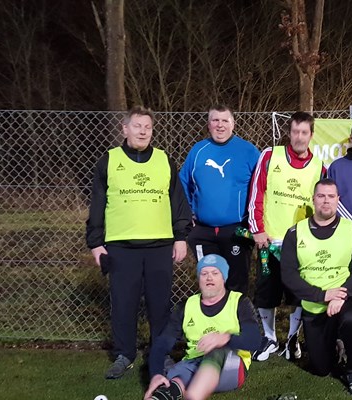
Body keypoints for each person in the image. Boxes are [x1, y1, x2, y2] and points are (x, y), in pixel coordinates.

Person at [86, 106, 191, 379]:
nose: (143, 131)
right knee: (124, 303)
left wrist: (181, 237)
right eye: (137, 126)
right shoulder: (109, 160)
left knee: (160, 305)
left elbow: (177, 201)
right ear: (125, 129)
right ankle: (125, 354)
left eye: (147, 127)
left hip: (159, 246)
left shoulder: (164, 160)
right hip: (121, 247)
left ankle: (160, 353)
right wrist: (95, 242)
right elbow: (97, 204)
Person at [247, 111, 326, 362]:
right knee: (266, 292)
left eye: (304, 132)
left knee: (298, 294)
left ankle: (292, 339)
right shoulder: (270, 156)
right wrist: (257, 229)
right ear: (289, 133)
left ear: (311, 135)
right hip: (269, 241)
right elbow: (257, 193)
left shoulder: (319, 166)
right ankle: (270, 338)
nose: (299, 137)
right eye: (295, 132)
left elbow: (322, 206)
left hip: (300, 244)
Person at [280, 179, 352, 396]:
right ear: (313, 199)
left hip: (345, 297)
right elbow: (289, 275)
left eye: (331, 196)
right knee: (321, 369)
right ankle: (337, 344)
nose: (326, 201)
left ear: (338, 200)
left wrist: (340, 296)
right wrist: (322, 295)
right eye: (321, 196)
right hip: (314, 302)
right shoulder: (294, 233)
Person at [144, 255, 261, 400]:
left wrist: (225, 338)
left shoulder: (239, 302)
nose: (209, 278)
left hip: (231, 366)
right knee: (173, 382)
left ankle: (194, 396)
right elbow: (162, 343)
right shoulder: (186, 306)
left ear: (223, 278)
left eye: (215, 273)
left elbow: (254, 340)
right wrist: (156, 374)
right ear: (199, 278)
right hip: (194, 363)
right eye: (204, 273)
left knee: (217, 350)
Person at [179, 105, 260, 296]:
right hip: (203, 231)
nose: (220, 125)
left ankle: (236, 315)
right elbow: (183, 184)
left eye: (225, 121)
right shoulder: (198, 150)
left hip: (237, 230)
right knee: (210, 283)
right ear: (209, 125)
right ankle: (210, 315)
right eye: (215, 120)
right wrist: (187, 215)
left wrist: (256, 222)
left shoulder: (248, 151)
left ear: (233, 124)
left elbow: (261, 186)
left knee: (236, 284)